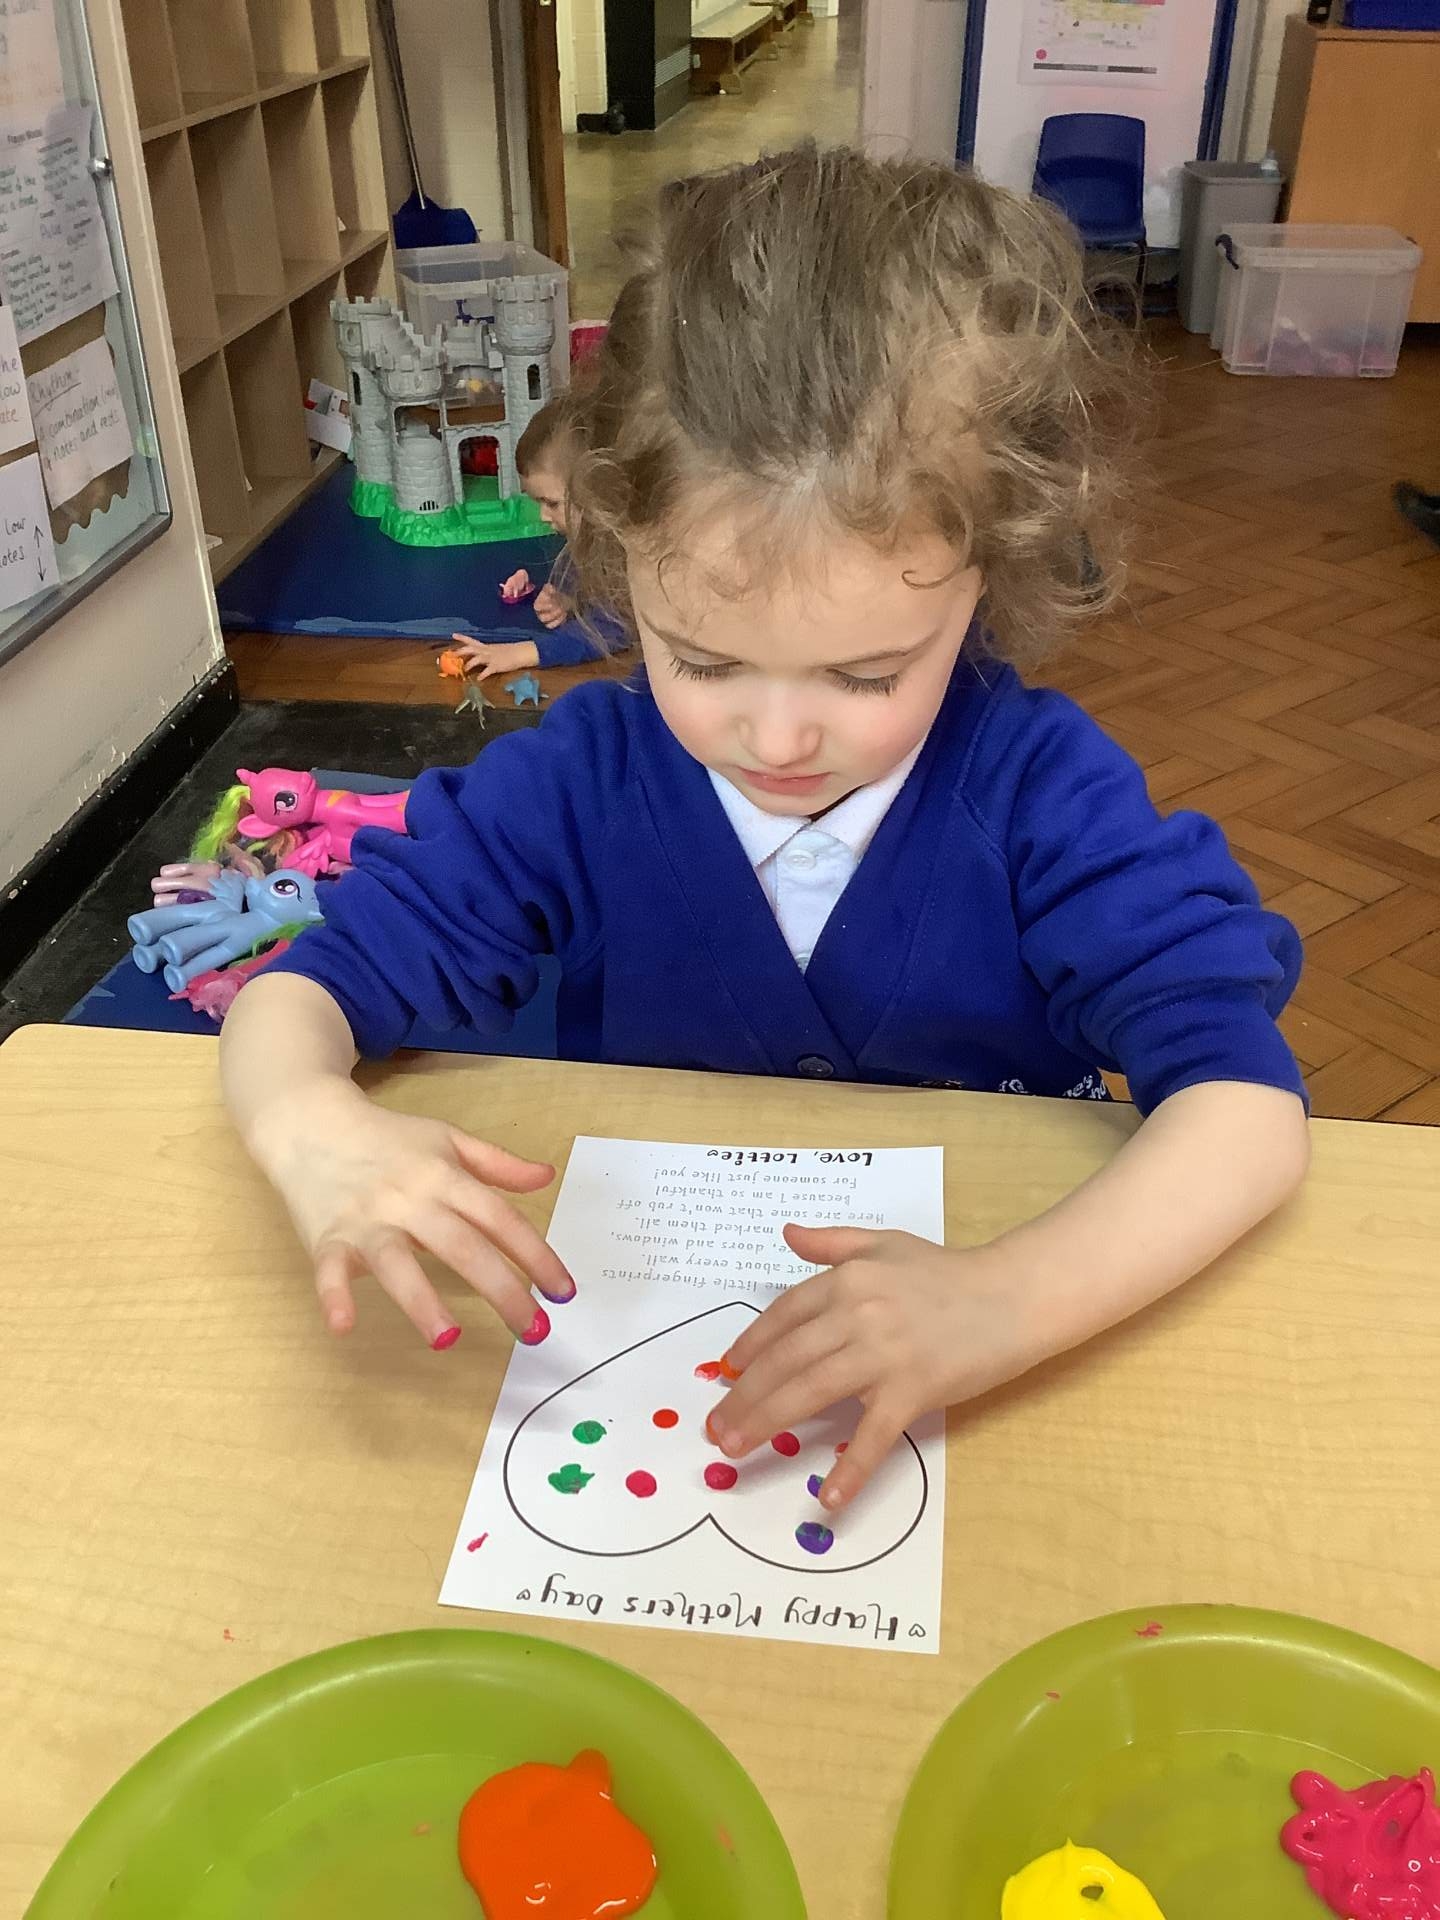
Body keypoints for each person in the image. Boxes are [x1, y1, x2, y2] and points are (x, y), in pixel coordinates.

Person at [222, 145, 1309, 1513]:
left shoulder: (1041, 794)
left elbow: (1246, 1110)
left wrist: (1003, 1302)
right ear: (620, 557)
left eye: (866, 675)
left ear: (991, 571)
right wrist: (308, 1124)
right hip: (661, 1371)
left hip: (1012, 1381)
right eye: (704, 660)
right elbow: (304, 995)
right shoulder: (582, 781)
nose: (778, 740)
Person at [448, 395, 629, 682]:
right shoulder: (585, 533)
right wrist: (567, 599)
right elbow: (580, 576)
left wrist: (519, 654)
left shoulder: (622, 547)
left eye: (552, 503)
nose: (543, 515)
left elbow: (613, 628)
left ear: (597, 488)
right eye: (538, 502)